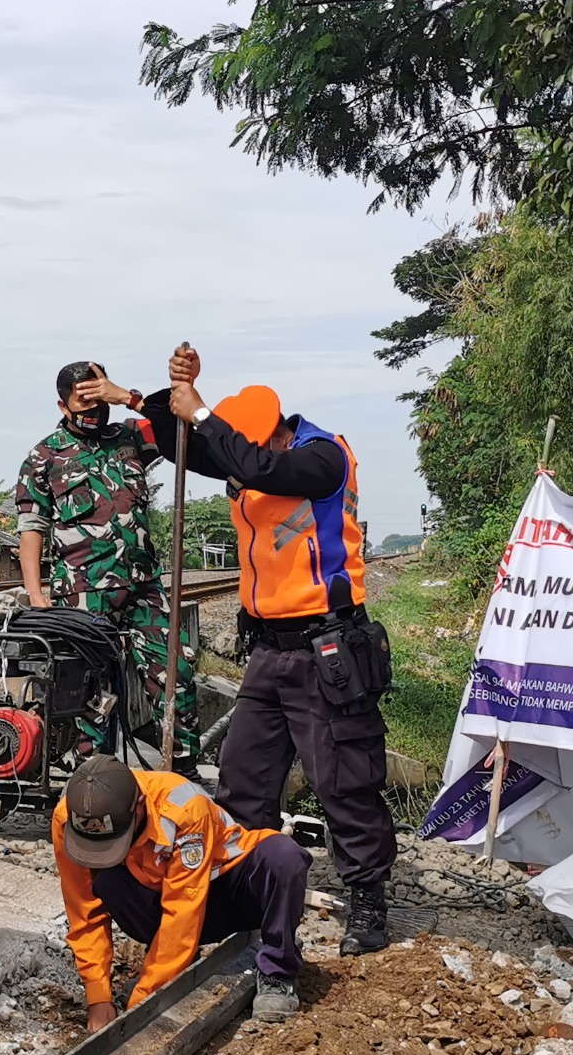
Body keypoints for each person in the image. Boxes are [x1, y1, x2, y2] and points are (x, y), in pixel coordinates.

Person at [118, 345, 397, 956]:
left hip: (327, 648)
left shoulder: (323, 457)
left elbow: (258, 466)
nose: (240, 465)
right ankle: (249, 889)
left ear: (275, 435)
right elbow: (183, 450)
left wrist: (205, 414)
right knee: (244, 779)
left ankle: (368, 901)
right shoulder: (256, 455)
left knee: (343, 782)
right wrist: (165, 400)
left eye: (252, 449)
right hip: (269, 652)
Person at [13, 360, 199, 764]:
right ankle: (91, 778)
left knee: (176, 673)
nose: (95, 409)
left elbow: (183, 422)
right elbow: (32, 526)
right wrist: (34, 592)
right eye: (84, 401)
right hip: (83, 594)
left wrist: (128, 397)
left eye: (100, 397)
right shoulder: (45, 457)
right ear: (63, 406)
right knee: (88, 692)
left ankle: (183, 765)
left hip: (143, 585)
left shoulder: (130, 438)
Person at [54, 754, 310, 1027]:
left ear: (139, 806)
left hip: (224, 892)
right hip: (163, 903)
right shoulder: (67, 819)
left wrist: (143, 999)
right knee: (109, 883)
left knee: (284, 858)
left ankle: (278, 972)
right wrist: (99, 998)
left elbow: (182, 913)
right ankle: (171, 968)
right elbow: (83, 911)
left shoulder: (184, 808)